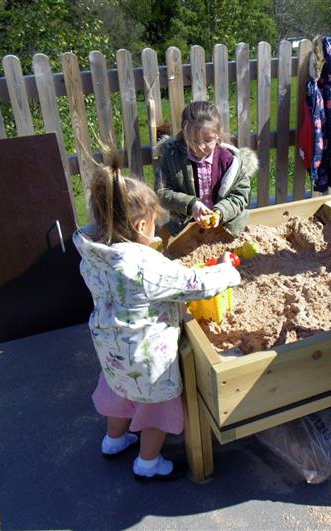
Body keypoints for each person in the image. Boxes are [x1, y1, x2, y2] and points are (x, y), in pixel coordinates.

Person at [73, 148, 241, 481]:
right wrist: (226, 272)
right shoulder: (144, 266)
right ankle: (148, 464)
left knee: (118, 392)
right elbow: (192, 283)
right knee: (154, 410)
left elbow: (138, 287)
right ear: (139, 225)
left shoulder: (93, 254)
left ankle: (114, 441)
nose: (156, 229)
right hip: (148, 360)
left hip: (113, 350)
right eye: (153, 223)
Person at [155, 101, 257, 237]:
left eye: (207, 140)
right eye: (193, 141)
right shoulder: (172, 157)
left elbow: (239, 196)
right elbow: (161, 192)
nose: (200, 147)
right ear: (184, 136)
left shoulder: (231, 162)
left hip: (225, 227)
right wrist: (191, 205)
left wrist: (220, 212)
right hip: (184, 228)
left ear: (218, 134)